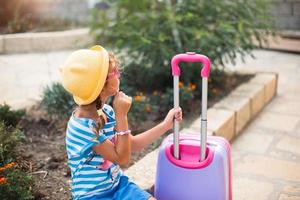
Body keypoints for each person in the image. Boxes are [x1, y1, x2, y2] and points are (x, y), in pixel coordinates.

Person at [60, 45, 182, 200]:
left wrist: (165, 125)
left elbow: (132, 145)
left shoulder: (107, 112)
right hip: (92, 196)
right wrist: (122, 116)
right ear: (101, 87)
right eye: (115, 72)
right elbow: (122, 159)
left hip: (119, 187)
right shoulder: (82, 127)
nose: (119, 75)